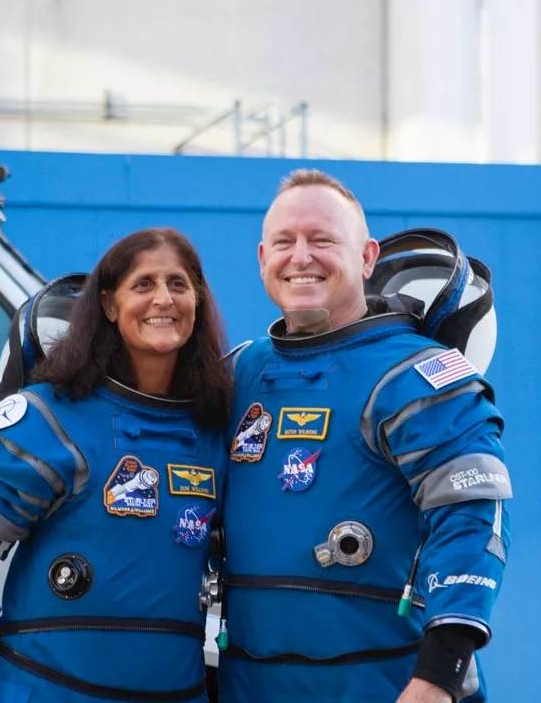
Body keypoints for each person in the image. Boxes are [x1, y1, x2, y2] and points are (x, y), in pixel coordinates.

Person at [215, 170, 510, 703]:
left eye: (323, 240)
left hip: (390, 686)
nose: (301, 257)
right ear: (262, 258)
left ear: (368, 257)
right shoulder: (237, 374)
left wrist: (439, 676)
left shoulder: (417, 377)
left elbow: (472, 520)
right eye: (284, 242)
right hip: (247, 685)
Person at [0, 228, 233, 703]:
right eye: (143, 284)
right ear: (108, 305)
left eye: (178, 284)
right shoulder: (48, 419)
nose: (163, 298)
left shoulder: (214, 428)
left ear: (198, 300)